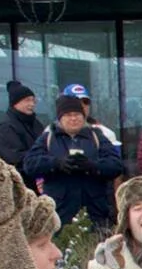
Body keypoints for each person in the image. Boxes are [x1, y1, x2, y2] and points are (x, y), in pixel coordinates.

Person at [23, 94, 124, 227]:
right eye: (68, 115)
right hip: (59, 213)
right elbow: (29, 165)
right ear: (60, 118)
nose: (73, 119)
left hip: (95, 211)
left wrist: (92, 166)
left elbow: (116, 165)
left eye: (77, 114)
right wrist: (57, 163)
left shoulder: (97, 137)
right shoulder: (48, 138)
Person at [0, 80, 43, 171]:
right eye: (27, 100)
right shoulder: (6, 128)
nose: (32, 104)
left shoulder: (35, 123)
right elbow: (14, 157)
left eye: (33, 101)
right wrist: (42, 158)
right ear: (15, 103)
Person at [64, 82, 118, 146]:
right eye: (77, 101)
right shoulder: (51, 134)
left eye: (85, 101)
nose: (82, 105)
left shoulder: (105, 134)